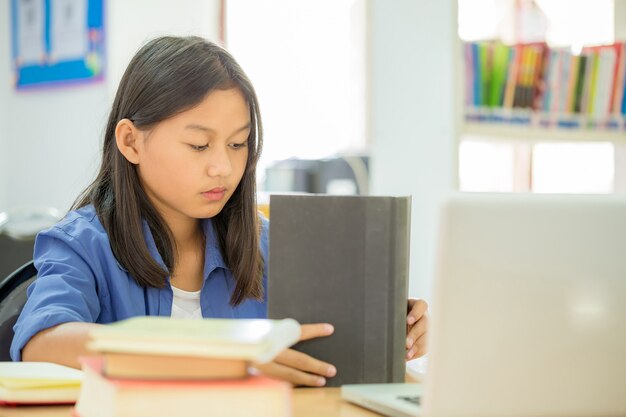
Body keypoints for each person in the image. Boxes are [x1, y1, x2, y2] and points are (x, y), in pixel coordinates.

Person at [10, 36, 428, 387]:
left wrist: (389, 329)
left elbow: (329, 352)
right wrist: (223, 359)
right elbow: (42, 344)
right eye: (198, 145)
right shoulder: (82, 244)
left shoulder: (270, 245)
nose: (223, 168)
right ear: (131, 142)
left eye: (237, 144)